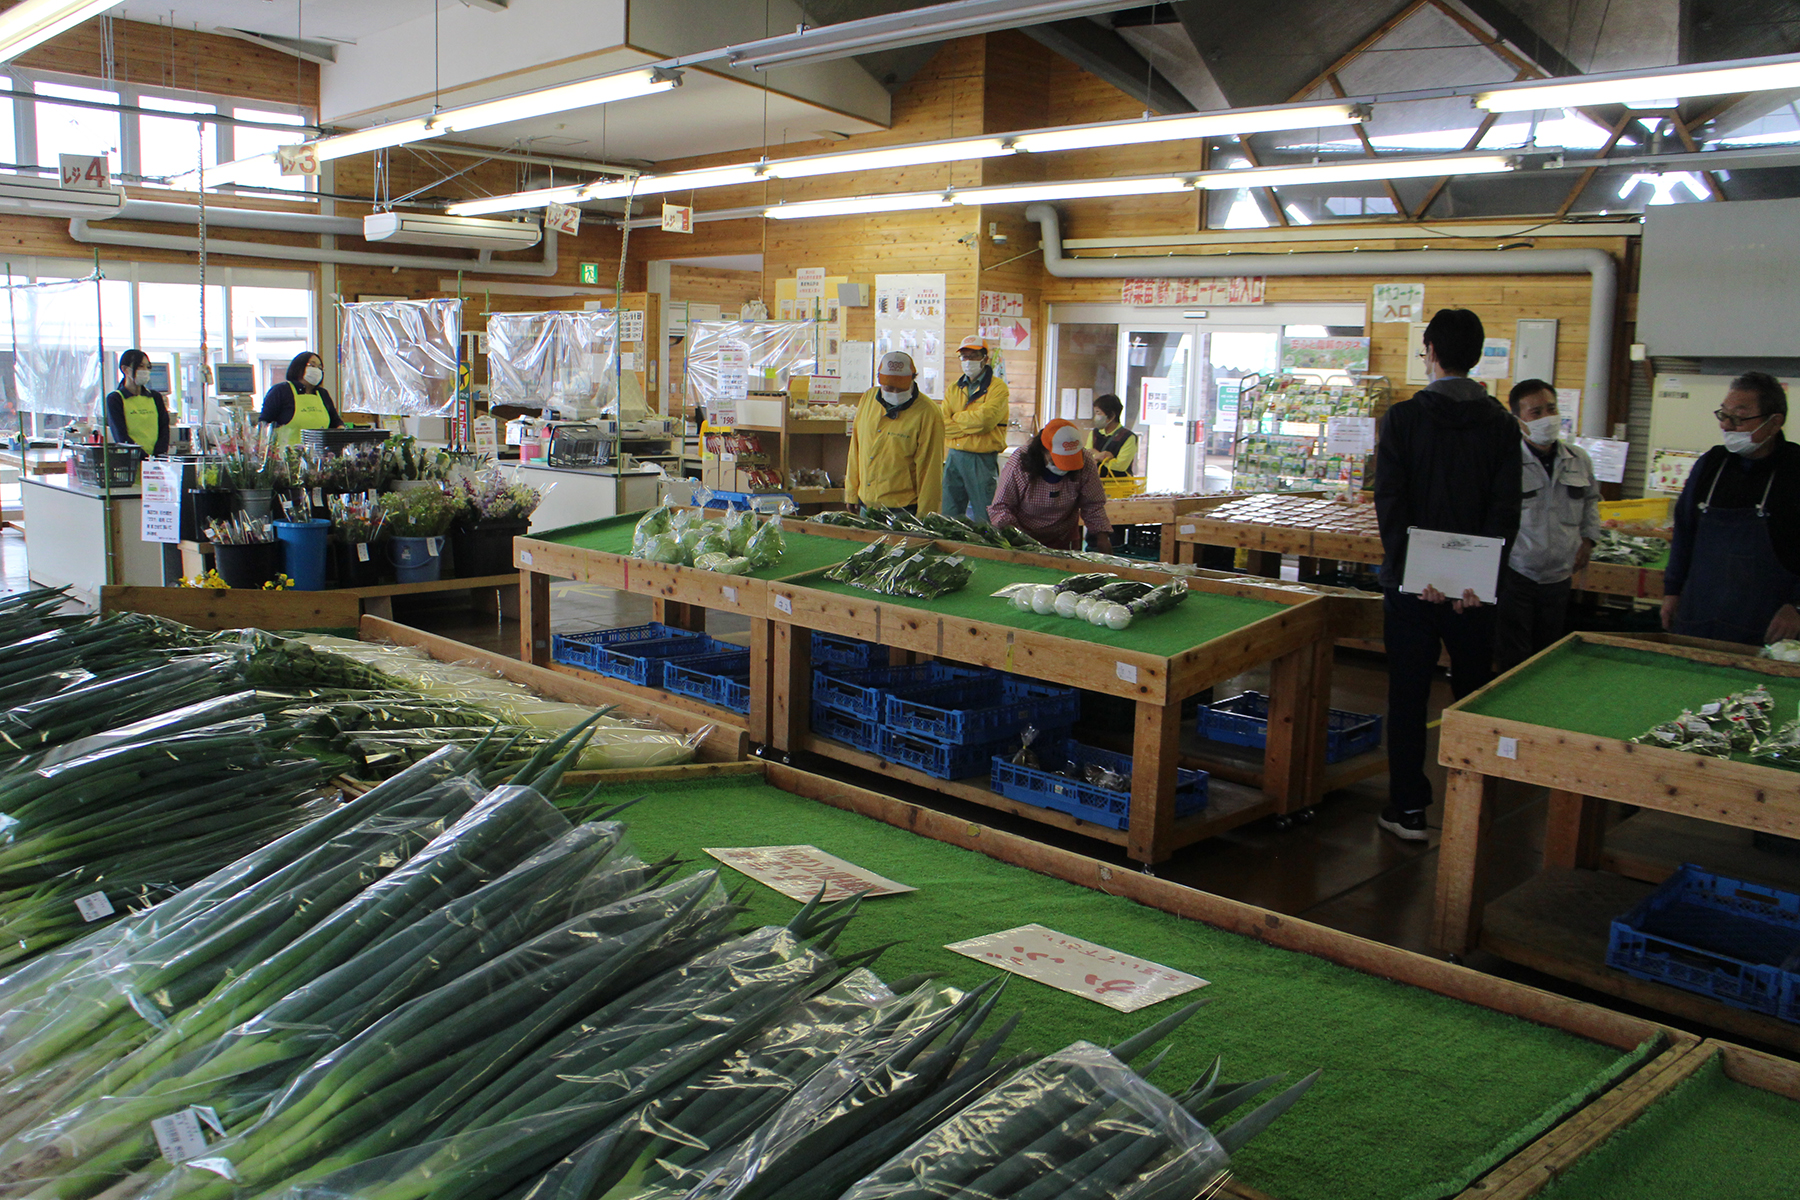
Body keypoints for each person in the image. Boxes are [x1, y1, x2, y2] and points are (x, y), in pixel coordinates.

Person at [1373, 308, 1522, 841]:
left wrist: (1417, 571)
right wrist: (1475, 581)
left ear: (1431, 351)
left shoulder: (1404, 418)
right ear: (1477, 355)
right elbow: (1506, 511)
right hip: (1475, 595)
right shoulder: (1503, 424)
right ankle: (1473, 807)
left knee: (1408, 697)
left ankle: (1409, 809)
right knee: (1474, 693)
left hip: (1414, 586)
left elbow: (1391, 503)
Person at [1662, 371, 1800, 645]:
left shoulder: (1795, 470)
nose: (1726, 425)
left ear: (1775, 423)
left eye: (1738, 417)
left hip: (1769, 626)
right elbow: (1684, 533)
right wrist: (1672, 591)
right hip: (1699, 615)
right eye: (1723, 415)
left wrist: (1797, 606)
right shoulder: (1711, 465)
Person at [1494, 379, 1601, 672]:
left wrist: (1589, 540)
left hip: (1559, 576)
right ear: (1519, 420)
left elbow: (1591, 502)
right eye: (1536, 412)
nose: (1546, 417)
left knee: (1548, 654)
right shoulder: (1506, 461)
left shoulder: (1578, 459)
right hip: (1517, 573)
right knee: (1513, 655)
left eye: (1551, 409)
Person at [845, 350, 945, 515]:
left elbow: (930, 470)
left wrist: (926, 516)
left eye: (900, 388)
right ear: (879, 378)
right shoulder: (868, 399)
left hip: (902, 510)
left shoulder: (928, 413)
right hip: (866, 504)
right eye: (889, 387)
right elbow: (855, 449)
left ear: (913, 378)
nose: (894, 392)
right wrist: (851, 492)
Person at [988, 419, 1113, 551]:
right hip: (1022, 537)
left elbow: (1093, 504)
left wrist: (1102, 538)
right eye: (1057, 461)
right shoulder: (1019, 462)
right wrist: (1019, 539)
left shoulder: (1085, 461)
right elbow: (1000, 507)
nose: (1064, 468)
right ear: (1043, 449)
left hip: (1064, 536)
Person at [939, 335, 1010, 521]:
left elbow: (984, 421)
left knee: (985, 517)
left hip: (982, 459)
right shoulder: (954, 388)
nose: (968, 361)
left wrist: (957, 418)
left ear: (985, 359)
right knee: (949, 515)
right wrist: (970, 425)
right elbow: (943, 424)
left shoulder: (998, 388)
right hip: (954, 456)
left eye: (973, 356)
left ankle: (985, 550)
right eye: (964, 357)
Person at [259, 351, 343, 446]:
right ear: (298, 367)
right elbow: (265, 424)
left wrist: (342, 431)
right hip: (286, 455)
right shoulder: (281, 391)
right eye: (312, 365)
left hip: (318, 454)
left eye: (320, 367)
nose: (317, 370)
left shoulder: (322, 394)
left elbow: (335, 422)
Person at [102, 349, 169, 456]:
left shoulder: (155, 397)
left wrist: (158, 455)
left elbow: (164, 429)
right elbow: (120, 436)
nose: (145, 370)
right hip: (131, 460)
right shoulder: (115, 399)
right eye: (140, 366)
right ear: (125, 369)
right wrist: (142, 456)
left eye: (147, 367)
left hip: (157, 461)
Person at [1086, 394, 1137, 477]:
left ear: (1111, 416)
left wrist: (1096, 456)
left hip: (1118, 485)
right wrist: (1101, 456)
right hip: (1096, 483)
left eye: (1098, 413)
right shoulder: (1094, 433)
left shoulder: (1128, 437)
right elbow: (1087, 456)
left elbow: (1121, 465)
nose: (1095, 417)